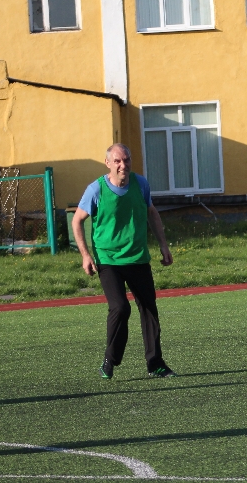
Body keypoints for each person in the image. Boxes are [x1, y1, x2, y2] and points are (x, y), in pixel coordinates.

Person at [71, 144, 175, 379]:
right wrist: (85, 255)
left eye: (126, 160)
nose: (122, 165)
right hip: (108, 259)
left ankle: (155, 364)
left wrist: (163, 245)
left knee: (149, 308)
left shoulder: (141, 184)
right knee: (120, 307)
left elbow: (151, 212)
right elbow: (76, 221)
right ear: (108, 163)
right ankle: (110, 359)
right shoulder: (96, 189)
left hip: (137, 257)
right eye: (117, 161)